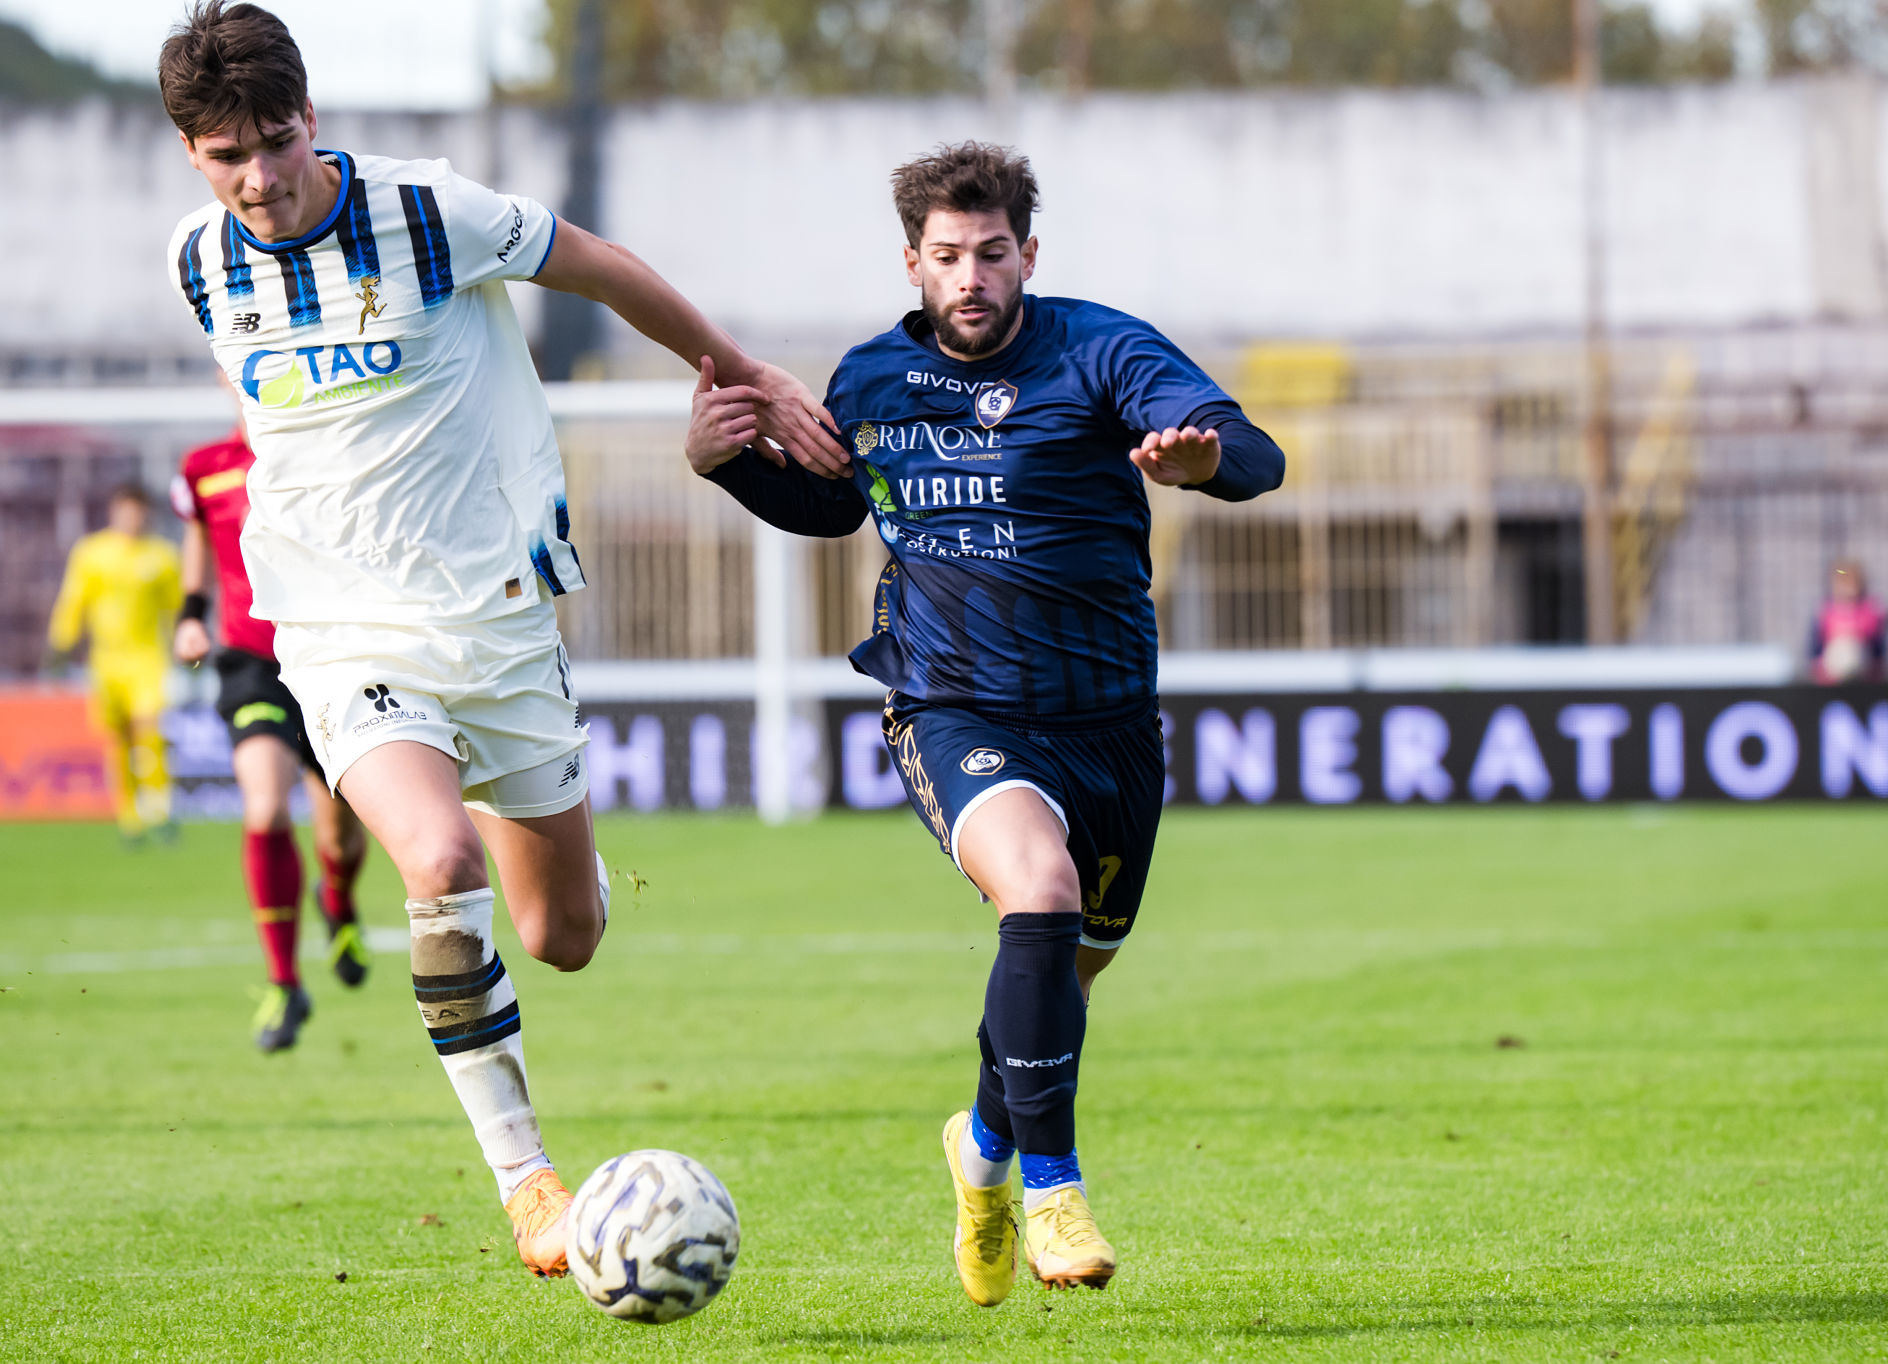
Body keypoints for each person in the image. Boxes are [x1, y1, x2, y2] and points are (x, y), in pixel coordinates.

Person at [157, 1, 846, 1279]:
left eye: (272, 140)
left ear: (310, 116)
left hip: (498, 614)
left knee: (565, 933)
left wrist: (737, 367)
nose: (256, 178)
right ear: (190, 152)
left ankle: (535, 967)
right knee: (433, 854)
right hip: (334, 622)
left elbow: (601, 264)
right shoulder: (200, 260)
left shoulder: (430, 212)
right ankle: (528, 1178)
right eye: (223, 154)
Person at [685, 142, 1284, 1303]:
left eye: (992, 254)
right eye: (947, 257)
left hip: (1107, 719)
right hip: (952, 704)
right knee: (1040, 894)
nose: (971, 277)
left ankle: (985, 1146)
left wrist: (1205, 462)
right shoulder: (867, 380)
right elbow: (827, 504)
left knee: (1064, 971)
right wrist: (728, 470)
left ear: (1028, 254)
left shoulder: (1101, 347)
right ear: (911, 260)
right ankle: (1053, 1192)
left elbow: (1251, 452)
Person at [173, 413, 371, 1053]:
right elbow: (200, 534)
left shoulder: (326, 444)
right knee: (263, 809)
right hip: (251, 666)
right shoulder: (203, 466)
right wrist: (190, 613)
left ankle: (337, 901)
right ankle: (285, 984)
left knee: (338, 835)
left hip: (329, 657)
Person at [48, 482, 182, 845]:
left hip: (148, 659)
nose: (132, 518)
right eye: (126, 509)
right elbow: (74, 600)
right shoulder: (92, 553)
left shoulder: (162, 555)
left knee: (149, 732)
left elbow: (176, 608)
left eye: (139, 510)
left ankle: (160, 811)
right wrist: (60, 644)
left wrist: (186, 645)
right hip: (106, 662)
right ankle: (129, 818)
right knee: (118, 740)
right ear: (114, 511)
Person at [1807, 558, 1884, 684]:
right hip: (1830, 673)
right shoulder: (1826, 611)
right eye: (1843, 582)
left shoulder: (1870, 610)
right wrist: (1817, 666)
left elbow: (1876, 644)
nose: (1847, 587)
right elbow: (1815, 645)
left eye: (1852, 582)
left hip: (1863, 671)